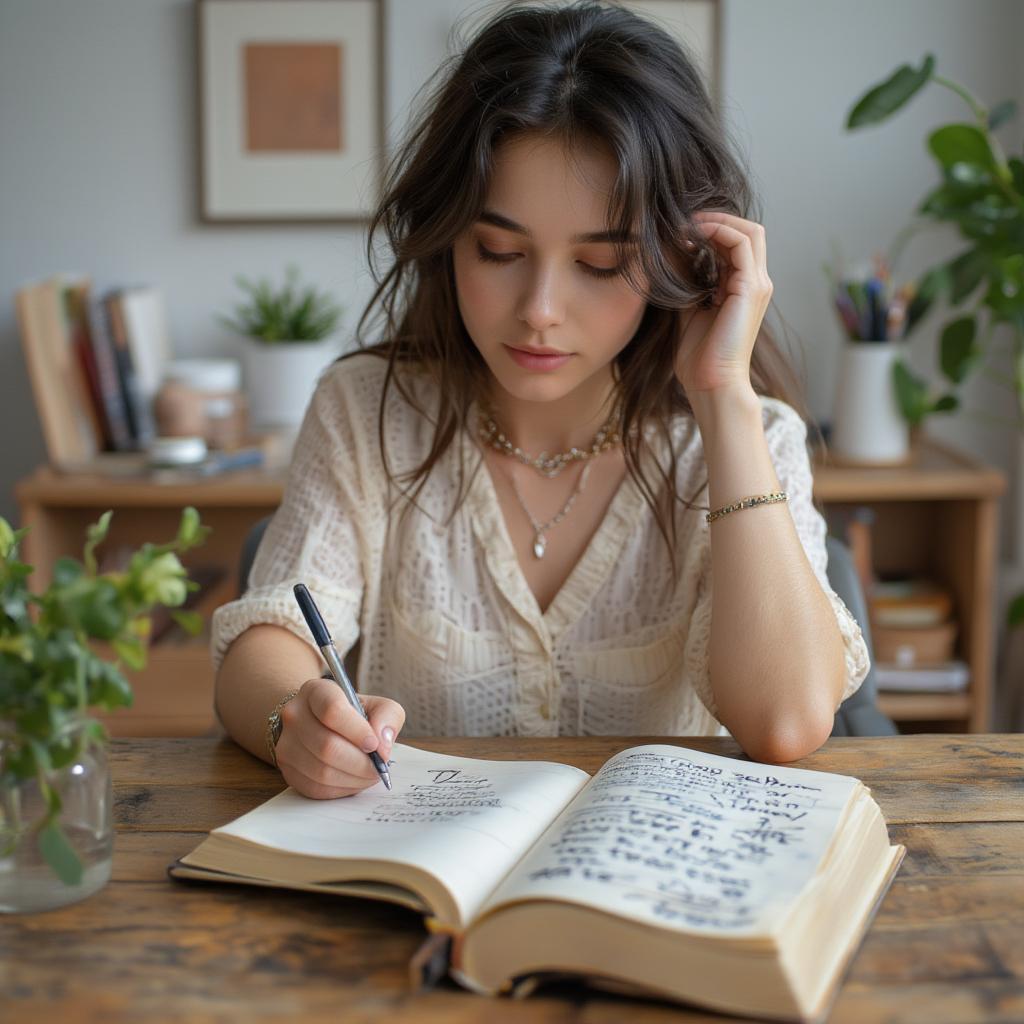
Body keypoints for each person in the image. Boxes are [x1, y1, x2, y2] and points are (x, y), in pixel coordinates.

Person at [212, 0, 870, 799]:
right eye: (499, 250)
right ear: (448, 235)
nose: (540, 309)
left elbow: (786, 722)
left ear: (681, 259)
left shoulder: (749, 437)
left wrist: (723, 396)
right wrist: (295, 717)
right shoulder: (367, 412)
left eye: (599, 263)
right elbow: (267, 636)